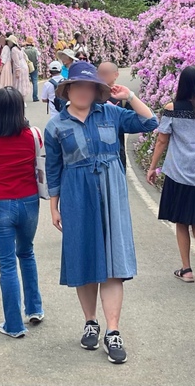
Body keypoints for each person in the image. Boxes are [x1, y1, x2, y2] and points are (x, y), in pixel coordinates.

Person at [44, 61, 159, 365]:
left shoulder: (111, 113)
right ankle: (90, 322)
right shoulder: (56, 125)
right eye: (77, 86)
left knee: (112, 263)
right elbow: (53, 168)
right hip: (76, 193)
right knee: (83, 257)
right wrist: (53, 205)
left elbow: (151, 123)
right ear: (68, 89)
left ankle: (113, 331)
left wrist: (129, 97)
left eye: (89, 86)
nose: (83, 91)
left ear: (97, 90)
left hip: (112, 194)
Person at [0, 87, 45, 338]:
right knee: (26, 252)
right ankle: (34, 308)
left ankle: (14, 325)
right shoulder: (31, 136)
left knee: (7, 265)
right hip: (28, 201)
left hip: (0, 203)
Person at [147, 66, 195, 284]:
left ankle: (186, 270)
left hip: (179, 172)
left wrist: (152, 167)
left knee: (181, 221)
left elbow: (162, 140)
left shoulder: (172, 108)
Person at [98, 62, 131, 170]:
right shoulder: (92, 95)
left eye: (105, 73)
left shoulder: (123, 96)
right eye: (99, 73)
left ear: (116, 75)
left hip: (116, 150)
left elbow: (133, 122)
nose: (101, 76)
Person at [23, 37, 40, 102]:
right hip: (34, 67)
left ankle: (24, 96)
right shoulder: (35, 49)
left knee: (25, 82)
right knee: (35, 82)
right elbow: (38, 55)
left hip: (26, 67)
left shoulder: (23, 50)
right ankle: (35, 97)